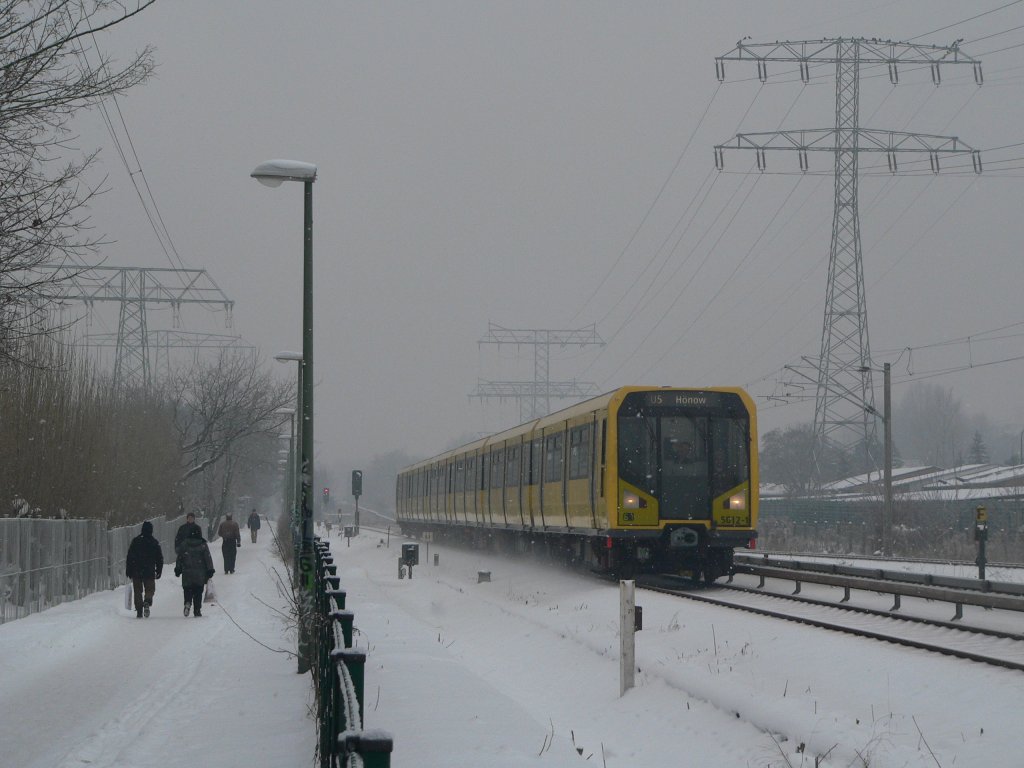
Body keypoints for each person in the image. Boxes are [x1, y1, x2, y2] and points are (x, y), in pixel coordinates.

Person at [125, 521, 164, 619]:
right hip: (149, 570)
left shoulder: (136, 541)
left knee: (137, 591)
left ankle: (139, 610)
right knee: (150, 589)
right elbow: (159, 558)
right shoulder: (154, 542)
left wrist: (128, 569)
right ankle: (147, 600)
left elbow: (130, 556)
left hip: (136, 570)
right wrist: (159, 570)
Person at [174, 526, 214, 617]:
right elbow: (208, 558)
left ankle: (187, 602)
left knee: (187, 589)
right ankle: (197, 610)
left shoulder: (184, 544)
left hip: (187, 572)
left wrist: (178, 569)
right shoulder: (203, 545)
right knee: (198, 591)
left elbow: (179, 558)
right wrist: (210, 570)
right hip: (199, 573)